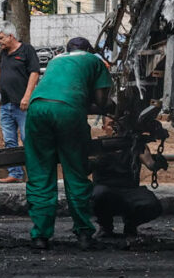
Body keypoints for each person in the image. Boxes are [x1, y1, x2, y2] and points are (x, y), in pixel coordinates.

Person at [24, 36, 112, 250]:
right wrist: (113, 107)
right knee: (75, 172)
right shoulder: (94, 60)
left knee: (40, 173)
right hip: (68, 111)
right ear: (88, 49)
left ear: (67, 49)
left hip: (37, 109)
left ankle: (40, 236)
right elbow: (101, 102)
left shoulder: (55, 60)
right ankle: (83, 234)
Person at [0, 27, 41, 183]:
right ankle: (16, 173)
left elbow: (34, 72)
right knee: (9, 140)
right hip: (6, 104)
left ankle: (36, 175)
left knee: (28, 139)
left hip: (22, 104)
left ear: (11, 36)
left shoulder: (27, 50)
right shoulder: (4, 53)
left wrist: (27, 96)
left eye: (0, 38)